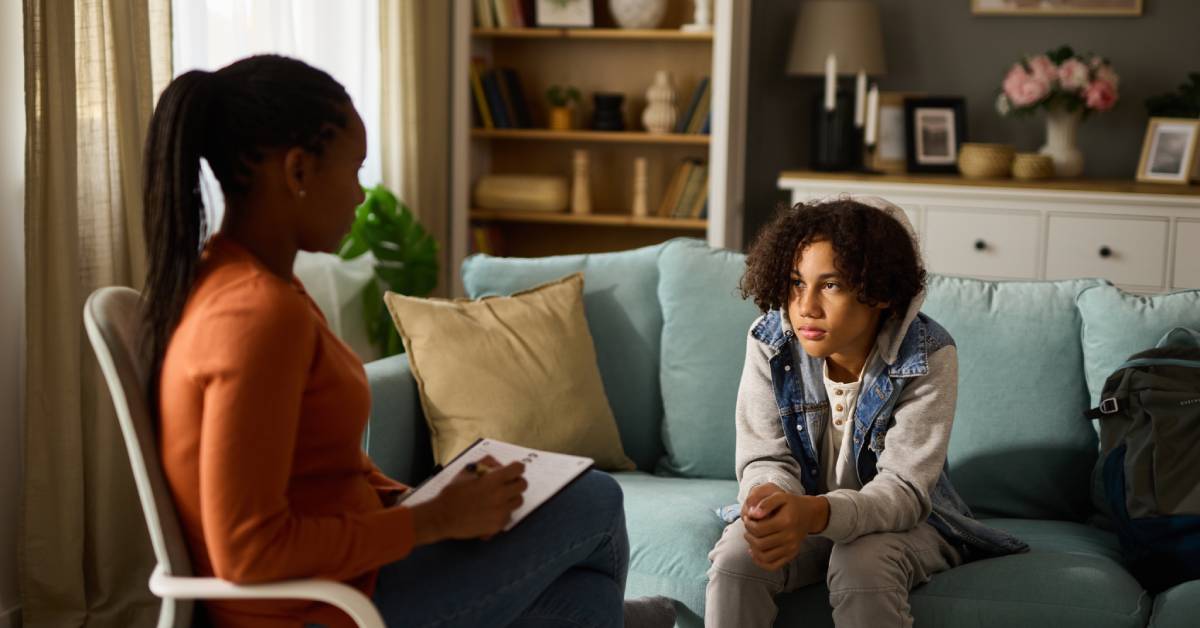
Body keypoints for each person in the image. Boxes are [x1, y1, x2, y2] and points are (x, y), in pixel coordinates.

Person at [144, 54, 674, 628]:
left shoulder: (252, 284)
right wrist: (432, 522)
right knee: (594, 499)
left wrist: (424, 500)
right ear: (297, 172)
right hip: (323, 609)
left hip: (354, 578)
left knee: (583, 597)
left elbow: (316, 472)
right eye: (353, 170)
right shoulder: (255, 316)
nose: (359, 195)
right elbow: (246, 553)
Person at [704, 197, 1028, 627]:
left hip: (907, 523)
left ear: (880, 290)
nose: (806, 307)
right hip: (808, 514)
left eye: (831, 285)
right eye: (796, 282)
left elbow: (904, 492)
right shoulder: (771, 340)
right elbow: (765, 458)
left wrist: (816, 513)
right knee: (736, 558)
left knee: (862, 564)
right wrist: (768, 499)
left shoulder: (928, 355)